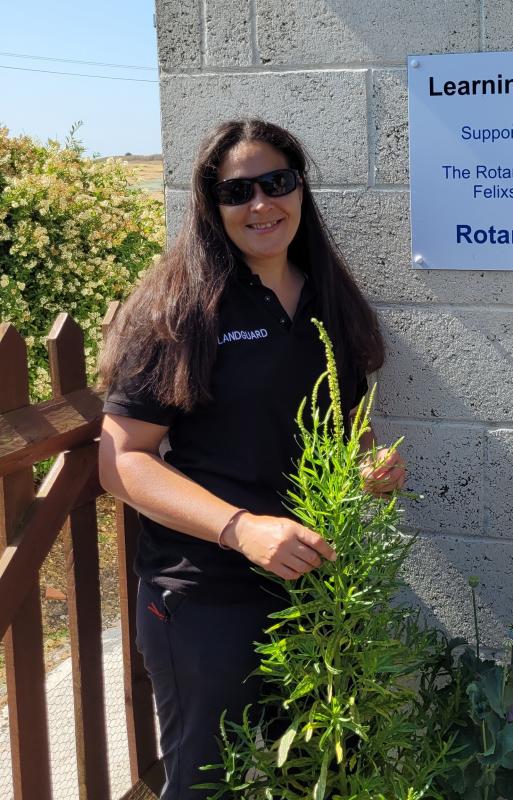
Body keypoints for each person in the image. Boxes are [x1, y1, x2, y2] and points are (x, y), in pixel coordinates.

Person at [98, 119, 404, 800]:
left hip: (317, 588)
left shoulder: (329, 296)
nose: (262, 204)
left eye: (277, 182)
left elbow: (341, 424)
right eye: (238, 191)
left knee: (315, 781)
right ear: (211, 206)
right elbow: (123, 462)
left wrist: (367, 466)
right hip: (205, 596)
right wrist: (243, 528)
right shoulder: (178, 308)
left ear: (301, 188)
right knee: (211, 786)